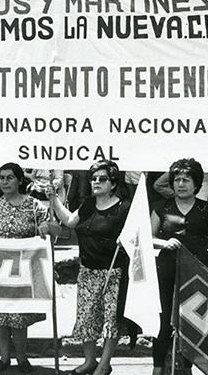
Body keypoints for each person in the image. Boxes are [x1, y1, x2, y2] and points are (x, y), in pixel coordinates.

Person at [0, 162, 55, 373]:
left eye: (10, 177)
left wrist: (46, 227)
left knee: (19, 318)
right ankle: (4, 357)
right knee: (1, 315)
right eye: (1, 178)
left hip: (23, 270)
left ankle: (22, 358)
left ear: (19, 180)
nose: (5, 182)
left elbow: (55, 230)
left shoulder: (34, 205)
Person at [48, 160, 129, 375]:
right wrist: (54, 199)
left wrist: (126, 239)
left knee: (110, 321)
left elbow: (136, 236)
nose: (96, 182)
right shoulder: (87, 205)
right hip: (87, 271)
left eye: (102, 179)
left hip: (114, 273)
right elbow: (70, 221)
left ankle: (104, 364)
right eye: (93, 178)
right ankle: (89, 361)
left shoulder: (125, 208)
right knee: (87, 318)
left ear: (113, 183)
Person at [150, 158, 208, 375]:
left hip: (197, 272)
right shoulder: (161, 207)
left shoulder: (207, 209)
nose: (181, 184)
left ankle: (186, 367)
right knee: (163, 320)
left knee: (193, 320)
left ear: (196, 184)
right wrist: (164, 242)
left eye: (186, 180)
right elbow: (147, 237)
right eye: (177, 180)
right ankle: (157, 366)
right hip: (167, 269)